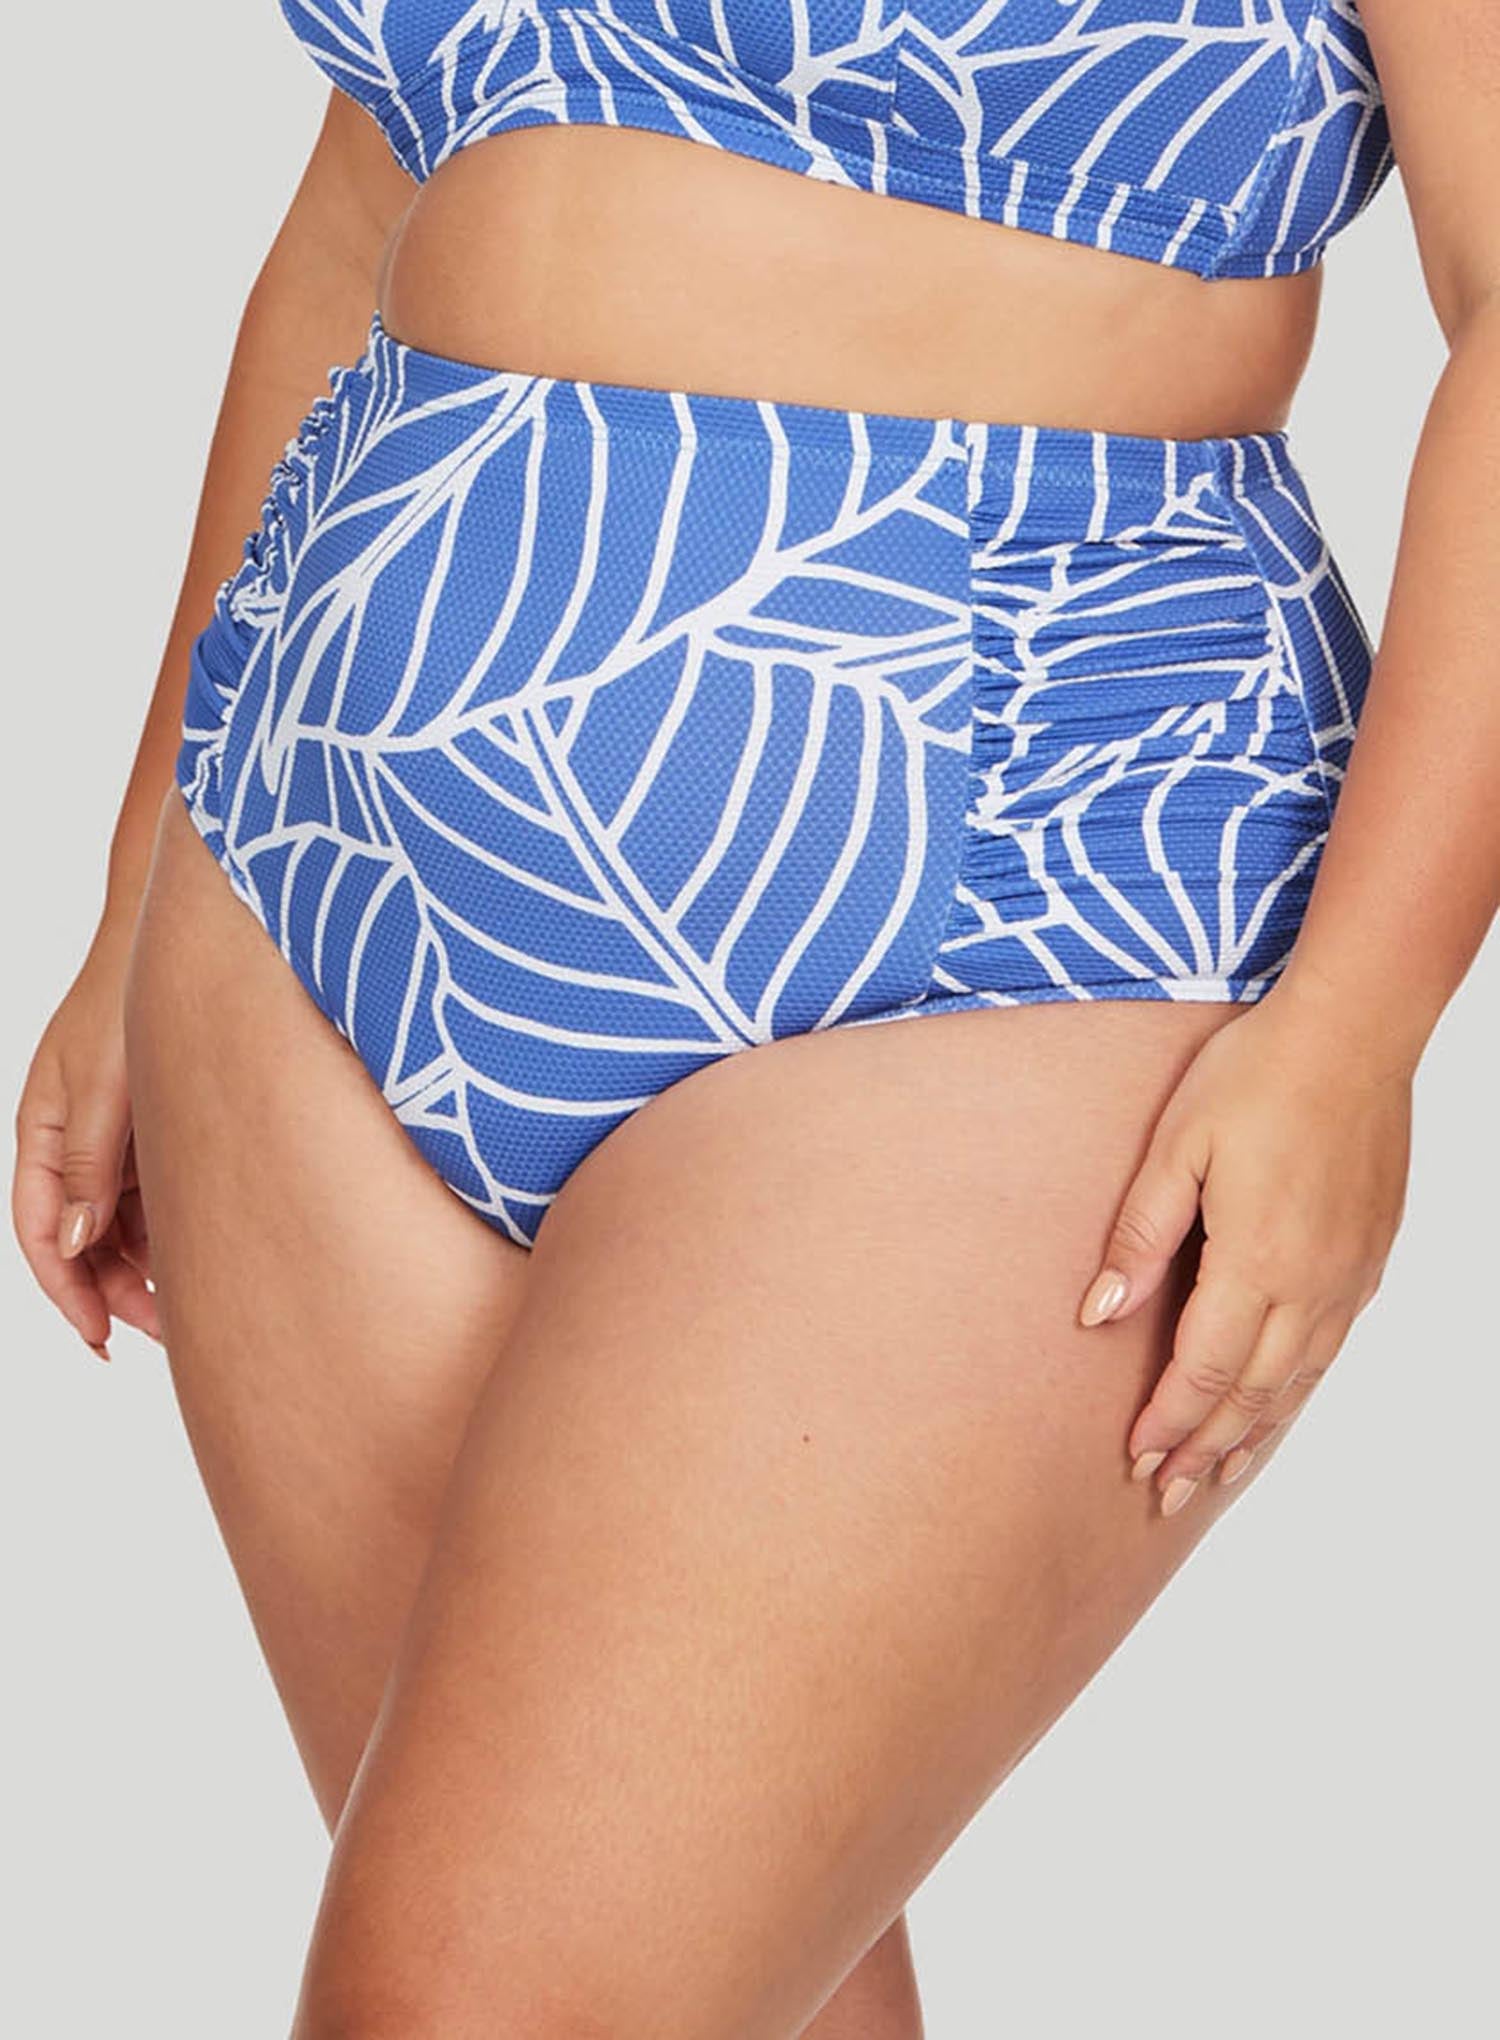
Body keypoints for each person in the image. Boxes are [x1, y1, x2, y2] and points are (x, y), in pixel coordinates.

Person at [13, 4, 1497, 2033]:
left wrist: (1358, 1027)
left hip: (1024, 851)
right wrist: (135, 888)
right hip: (318, 840)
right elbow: (378, 179)